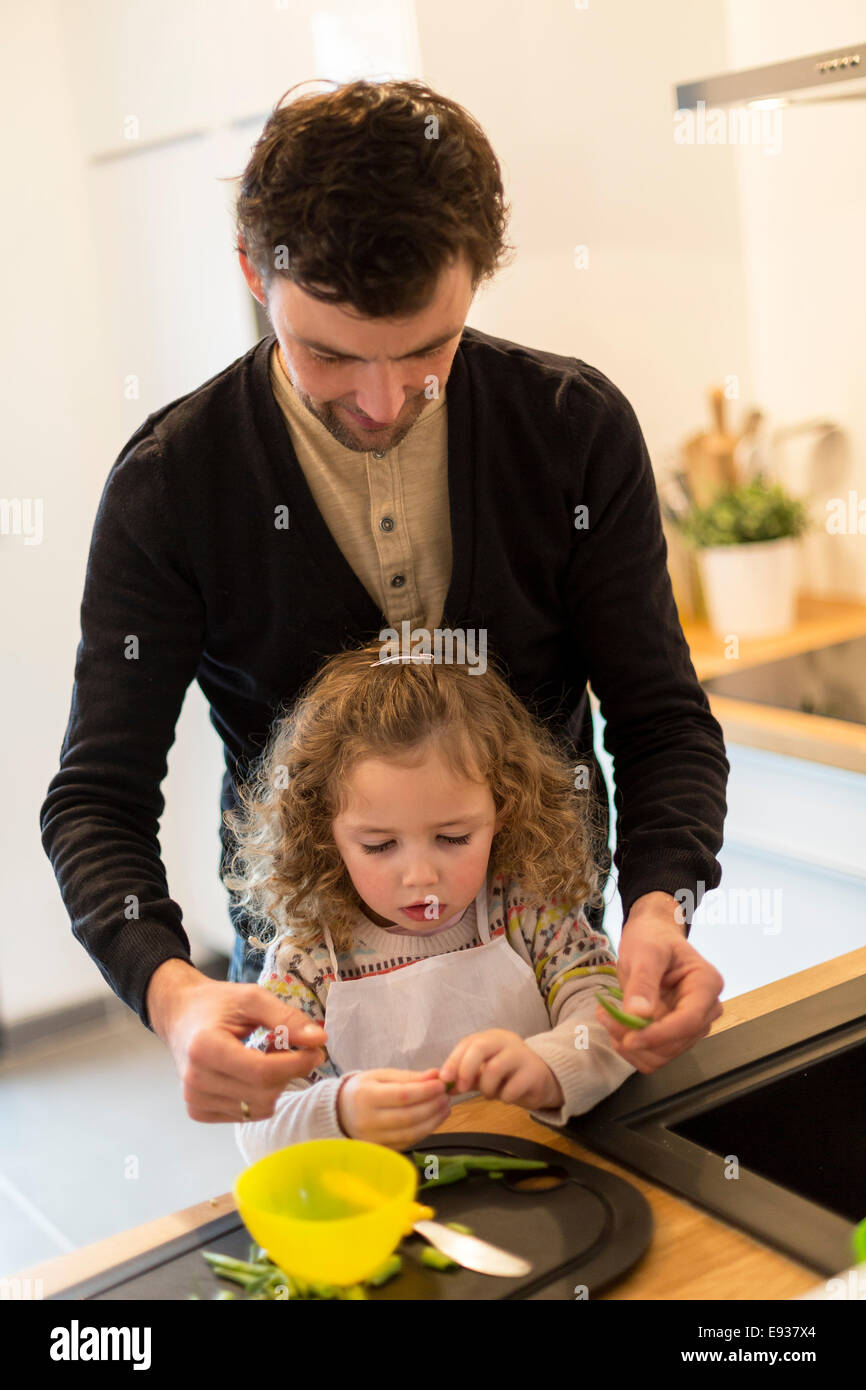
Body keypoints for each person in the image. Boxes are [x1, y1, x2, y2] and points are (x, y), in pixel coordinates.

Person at [39, 77, 727, 1130]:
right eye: (327, 354)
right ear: (250, 276)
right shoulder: (173, 485)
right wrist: (175, 998)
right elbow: (95, 797)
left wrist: (657, 902)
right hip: (308, 1010)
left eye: (423, 351)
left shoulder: (570, 429)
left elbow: (660, 718)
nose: (380, 401)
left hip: (547, 971)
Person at [227, 641, 637, 1159]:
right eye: (379, 846)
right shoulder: (306, 960)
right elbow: (255, 1113)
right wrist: (339, 1111)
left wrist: (551, 1066)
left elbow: (613, 1012)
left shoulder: (528, 910)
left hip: (542, 1178)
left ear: (503, 810)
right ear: (322, 833)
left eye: (453, 838)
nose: (421, 877)